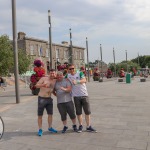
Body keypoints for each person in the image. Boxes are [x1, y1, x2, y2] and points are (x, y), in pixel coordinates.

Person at [66, 64, 97, 133]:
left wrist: (77, 81)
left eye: (73, 68)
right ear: (68, 69)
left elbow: (84, 80)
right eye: (70, 69)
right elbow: (60, 78)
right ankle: (80, 126)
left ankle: (88, 126)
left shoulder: (79, 73)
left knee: (87, 112)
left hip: (84, 95)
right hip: (76, 96)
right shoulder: (68, 75)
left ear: (75, 68)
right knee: (78, 112)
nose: (72, 70)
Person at [35, 69, 57, 136]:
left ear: (55, 74)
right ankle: (40, 129)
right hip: (41, 98)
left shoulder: (55, 81)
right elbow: (36, 85)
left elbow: (53, 89)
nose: (52, 74)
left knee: (50, 114)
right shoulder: (44, 78)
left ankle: (50, 127)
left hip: (49, 99)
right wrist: (43, 85)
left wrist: (57, 95)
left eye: (53, 73)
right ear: (49, 73)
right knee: (40, 115)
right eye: (51, 73)